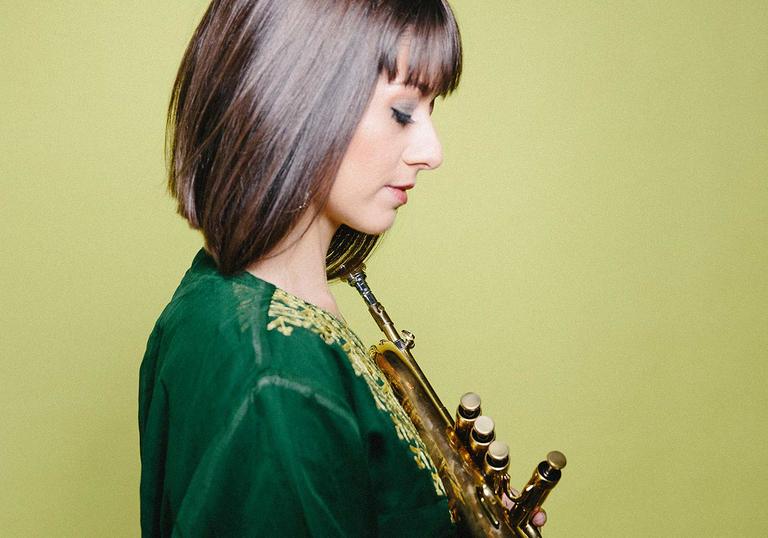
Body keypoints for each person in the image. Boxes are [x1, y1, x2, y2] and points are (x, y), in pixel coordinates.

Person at [139, 0, 546, 535]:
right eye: (402, 112)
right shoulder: (275, 377)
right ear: (291, 100)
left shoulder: (228, 301)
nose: (432, 151)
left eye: (431, 110)